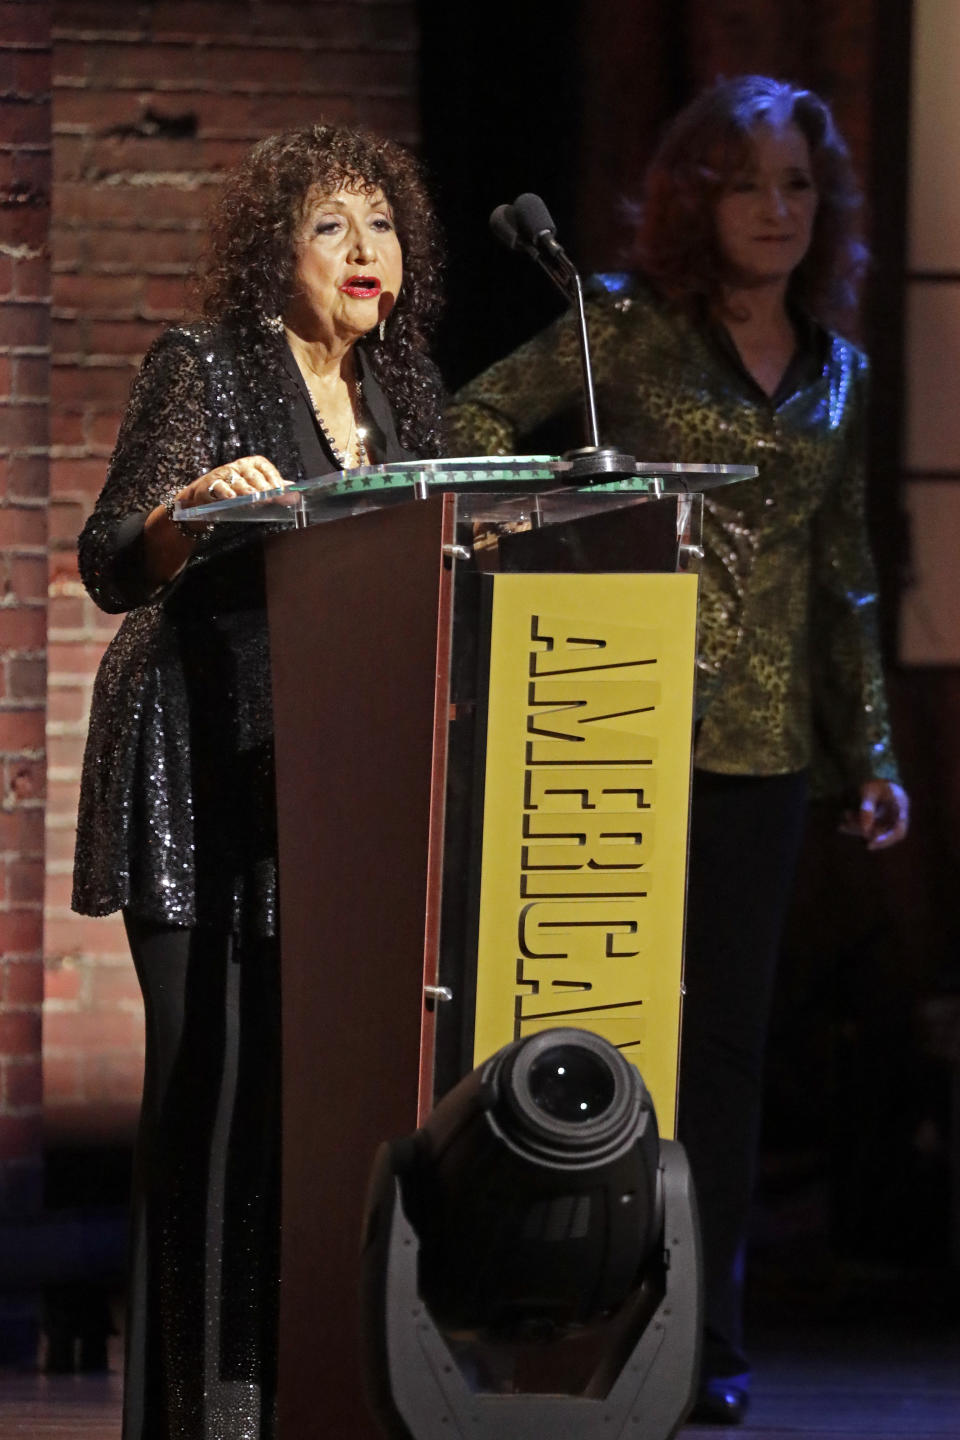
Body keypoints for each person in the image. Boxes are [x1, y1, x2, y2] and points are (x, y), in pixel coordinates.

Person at [444, 76, 909, 1425]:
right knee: (604, 1033)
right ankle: (564, 1312)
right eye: (749, 181)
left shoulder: (842, 371)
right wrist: (569, 518)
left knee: (728, 1061)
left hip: (763, 758)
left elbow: (846, 571)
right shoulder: (625, 335)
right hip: (614, 723)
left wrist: (869, 750)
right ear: (694, 196)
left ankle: (701, 1339)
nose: (777, 208)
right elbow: (473, 423)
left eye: (799, 186)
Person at [71, 123, 443, 1438]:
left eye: (383, 224)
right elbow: (113, 558)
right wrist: (191, 504)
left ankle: (278, 1392)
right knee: (207, 1093)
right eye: (332, 225)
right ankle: (186, 1411)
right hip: (191, 755)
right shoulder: (206, 365)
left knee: (298, 1092)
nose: (364, 250)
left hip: (326, 771)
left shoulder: (400, 393)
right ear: (273, 248)